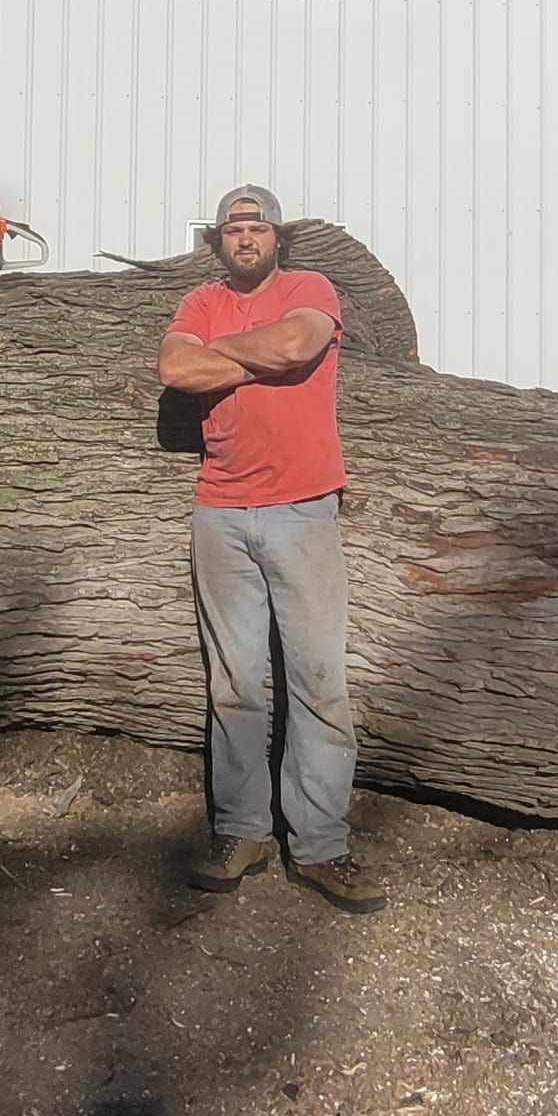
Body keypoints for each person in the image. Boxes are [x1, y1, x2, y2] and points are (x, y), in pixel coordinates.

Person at [157, 186, 385, 915]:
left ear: (277, 237)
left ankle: (319, 845)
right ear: (217, 240)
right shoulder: (199, 301)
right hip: (220, 512)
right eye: (233, 227)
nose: (245, 237)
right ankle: (242, 832)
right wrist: (251, 358)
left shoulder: (309, 288)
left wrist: (220, 356)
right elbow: (175, 371)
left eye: (257, 226)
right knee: (235, 683)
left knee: (318, 681)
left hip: (302, 507)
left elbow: (298, 344)